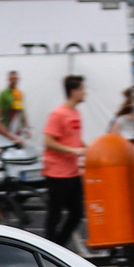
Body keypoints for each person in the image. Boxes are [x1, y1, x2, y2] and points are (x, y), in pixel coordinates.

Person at [41, 74, 86, 248]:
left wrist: (89, 149)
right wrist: (73, 151)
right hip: (57, 173)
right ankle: (50, 249)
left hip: (73, 172)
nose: (85, 93)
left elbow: (75, 139)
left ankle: (59, 246)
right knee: (55, 215)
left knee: (77, 213)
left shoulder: (77, 113)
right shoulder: (58, 114)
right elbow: (48, 141)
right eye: (82, 89)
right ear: (73, 91)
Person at [0, 70, 28, 140]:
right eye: (12, 79)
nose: (14, 81)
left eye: (16, 79)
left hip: (18, 129)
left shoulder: (20, 94)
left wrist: (26, 128)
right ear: (8, 80)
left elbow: (22, 112)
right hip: (7, 128)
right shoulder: (4, 94)